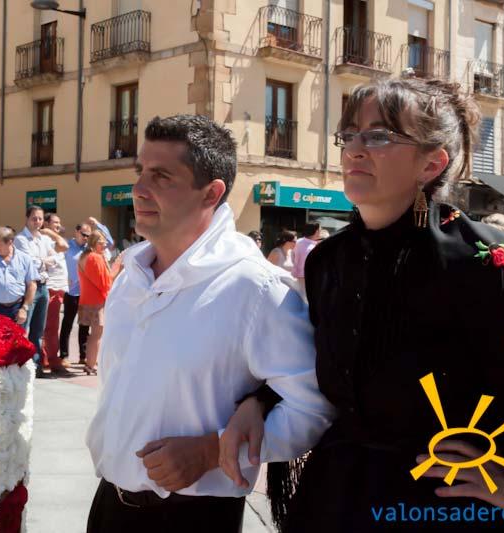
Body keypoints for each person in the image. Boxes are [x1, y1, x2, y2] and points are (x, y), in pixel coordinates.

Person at [218, 78, 504, 532]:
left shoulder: (495, 260)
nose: (354, 150)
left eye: (379, 136)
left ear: (431, 163)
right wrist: (260, 400)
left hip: (445, 504)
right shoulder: (330, 260)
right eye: (350, 135)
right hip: (335, 498)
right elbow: (319, 365)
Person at [85, 115, 334, 533]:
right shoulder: (131, 276)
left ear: (211, 193)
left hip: (191, 518)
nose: (139, 189)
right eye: (140, 172)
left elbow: (314, 408)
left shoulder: (255, 289)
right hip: (109, 504)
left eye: (161, 176)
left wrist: (211, 451)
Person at [13, 206, 68, 376]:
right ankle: (18, 364)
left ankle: (36, 366)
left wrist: (43, 260)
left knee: (38, 330)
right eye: (34, 218)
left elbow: (57, 256)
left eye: (40, 219)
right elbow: (30, 262)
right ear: (27, 218)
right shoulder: (21, 239)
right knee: (23, 328)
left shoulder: (43, 238)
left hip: (44, 285)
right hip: (29, 286)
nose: (37, 222)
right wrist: (45, 261)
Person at [76, 231, 118, 376]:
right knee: (96, 335)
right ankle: (91, 365)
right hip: (96, 302)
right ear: (94, 243)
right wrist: (118, 267)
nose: (105, 245)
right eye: (102, 242)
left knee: (93, 335)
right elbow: (106, 283)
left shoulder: (85, 256)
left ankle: (90, 363)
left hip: (87, 299)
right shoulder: (95, 257)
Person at [0, 227, 38, 323]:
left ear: (10, 242)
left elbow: (32, 285)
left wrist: (24, 308)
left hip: (17, 309)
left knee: (17, 333)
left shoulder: (25, 259)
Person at [41, 213, 71, 370]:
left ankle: (49, 357)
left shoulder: (53, 240)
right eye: (55, 223)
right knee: (49, 327)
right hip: (50, 287)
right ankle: (48, 359)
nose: (59, 225)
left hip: (59, 288)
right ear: (46, 224)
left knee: (52, 326)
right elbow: (63, 246)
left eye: (59, 222)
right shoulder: (45, 240)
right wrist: (49, 232)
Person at [60, 224, 91, 366]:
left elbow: (108, 242)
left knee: (85, 325)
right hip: (71, 291)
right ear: (76, 232)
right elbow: (58, 263)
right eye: (84, 234)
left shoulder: (89, 249)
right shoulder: (67, 246)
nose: (86, 238)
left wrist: (98, 224)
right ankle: (64, 355)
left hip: (85, 292)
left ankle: (83, 356)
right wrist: (63, 278)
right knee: (67, 324)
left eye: (88, 236)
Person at [290, 221, 321, 298]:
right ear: (316, 231)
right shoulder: (314, 248)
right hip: (308, 280)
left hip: (294, 278)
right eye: (320, 229)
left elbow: (291, 258)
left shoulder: (297, 242)